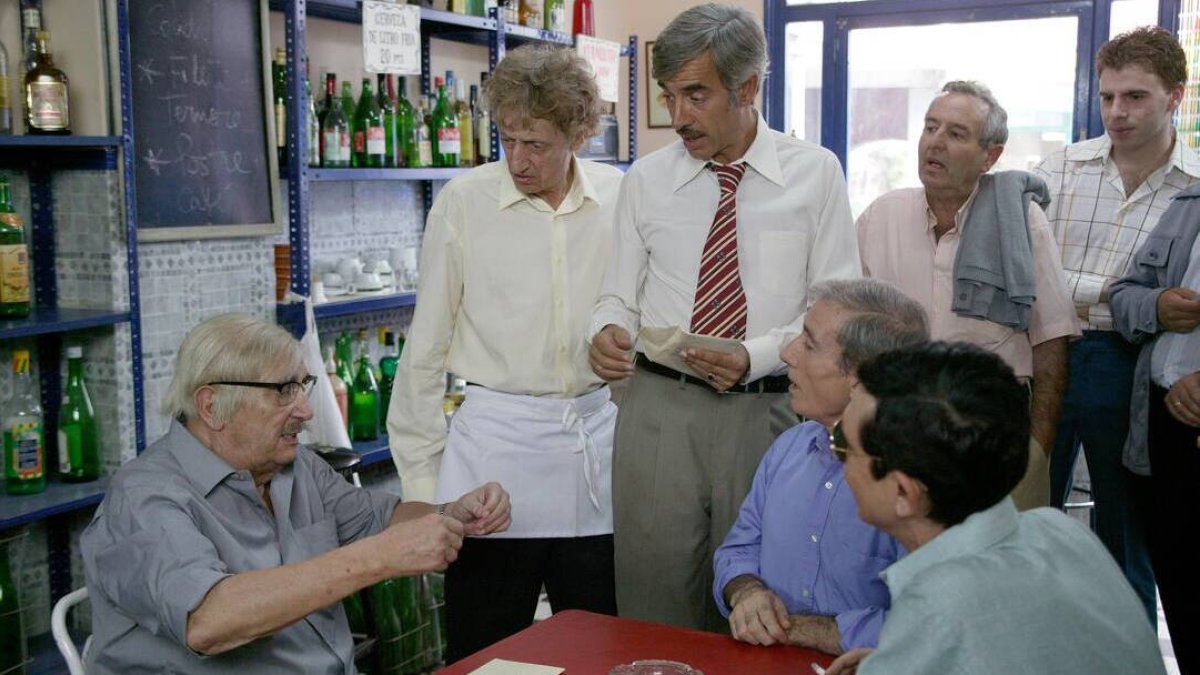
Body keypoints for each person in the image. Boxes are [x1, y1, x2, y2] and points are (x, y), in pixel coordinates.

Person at [588, 3, 860, 632]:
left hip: (768, 414)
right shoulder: (647, 180)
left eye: (695, 95)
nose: (678, 116)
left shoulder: (815, 174)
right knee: (652, 602)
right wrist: (602, 331)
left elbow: (837, 308)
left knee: (761, 604)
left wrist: (755, 355)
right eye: (668, 96)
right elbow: (615, 296)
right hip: (658, 412)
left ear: (749, 88)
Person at [80, 313, 510, 674]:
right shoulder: (145, 498)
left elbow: (378, 521)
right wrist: (380, 557)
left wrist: (451, 513)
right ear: (211, 406)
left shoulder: (295, 465)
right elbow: (208, 622)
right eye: (282, 392)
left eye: (302, 386)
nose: (305, 411)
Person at [386, 45, 624, 661]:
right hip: (494, 457)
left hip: (592, 449)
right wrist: (418, 481)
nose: (518, 159)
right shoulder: (465, 204)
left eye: (536, 144)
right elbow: (425, 346)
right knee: (488, 650)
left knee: (597, 645)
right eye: (508, 139)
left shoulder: (620, 198)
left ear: (578, 134)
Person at [826, 342, 1165, 675]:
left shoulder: (935, 605)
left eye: (843, 445)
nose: (839, 463)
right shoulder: (1061, 531)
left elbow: (955, 629)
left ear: (903, 491)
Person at [1032, 25, 1199, 621]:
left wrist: (1076, 287)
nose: (1117, 112)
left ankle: (1126, 656)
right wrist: (1118, 292)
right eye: (1107, 97)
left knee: (1126, 532)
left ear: (1176, 96)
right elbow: (1026, 274)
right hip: (1044, 352)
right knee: (1031, 517)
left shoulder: (1196, 190)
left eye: (1136, 97)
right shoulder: (1061, 170)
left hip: (1134, 365)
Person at [856, 80, 1079, 510]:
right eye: (930, 127)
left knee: (997, 565)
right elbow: (855, 330)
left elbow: (1051, 341)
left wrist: (1037, 450)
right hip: (901, 424)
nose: (934, 143)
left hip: (992, 429)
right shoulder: (882, 216)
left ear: (990, 156)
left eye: (955, 134)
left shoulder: (1021, 221)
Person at [713, 279, 925, 655]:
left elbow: (926, 623)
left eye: (809, 344)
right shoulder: (789, 448)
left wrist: (803, 630)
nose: (789, 353)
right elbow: (739, 549)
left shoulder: (914, 484)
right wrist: (747, 591)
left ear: (861, 377)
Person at [1110, 187, 1200, 674]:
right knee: (1181, 590)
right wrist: (1158, 305)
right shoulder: (1191, 204)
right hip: (1168, 433)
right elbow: (1124, 294)